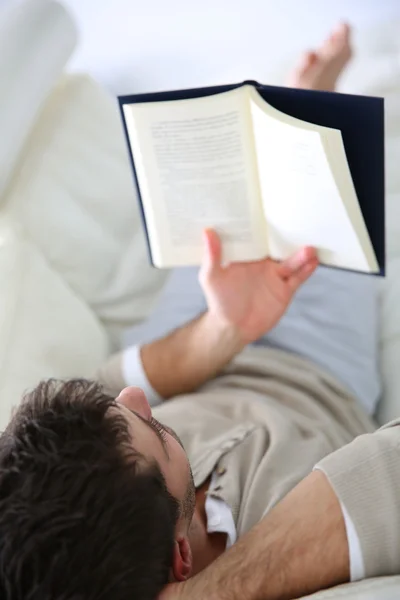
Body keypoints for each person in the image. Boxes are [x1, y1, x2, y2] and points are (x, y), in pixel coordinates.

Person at [0, 23, 394, 600]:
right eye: (158, 433)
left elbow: (114, 381)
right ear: (182, 558)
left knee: (232, 195)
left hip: (204, 332)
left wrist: (223, 329)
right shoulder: (285, 521)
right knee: (321, 172)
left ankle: (289, 110)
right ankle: (312, 102)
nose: (136, 400)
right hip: (315, 363)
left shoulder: (69, 507)